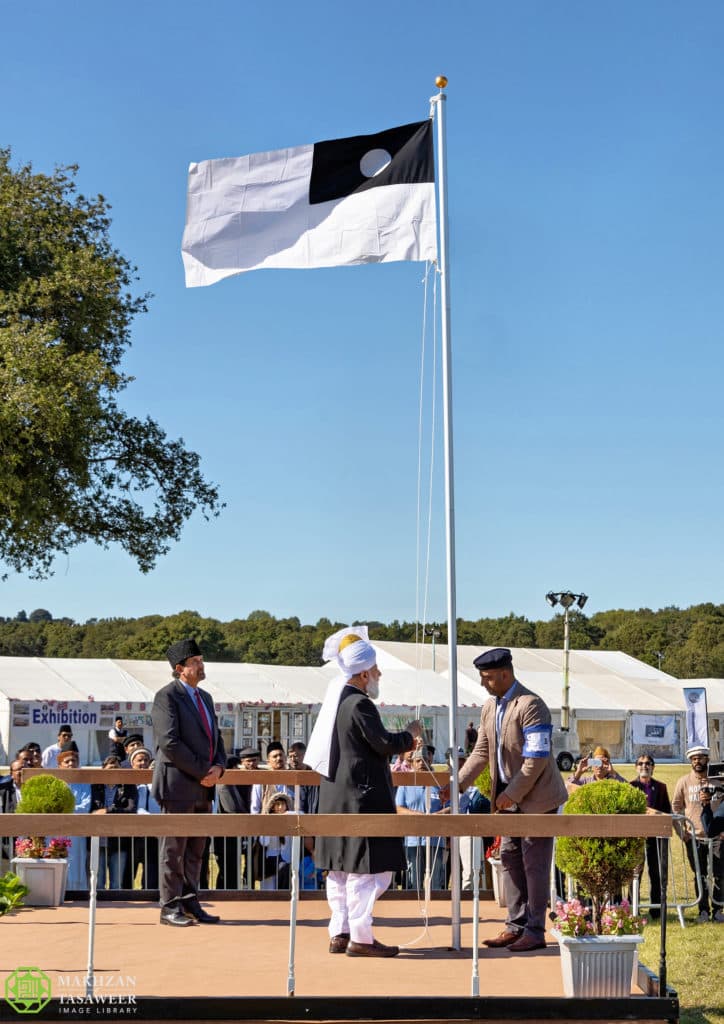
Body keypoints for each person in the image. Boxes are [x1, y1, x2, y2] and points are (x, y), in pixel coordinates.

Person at [310, 626, 422, 958]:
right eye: (375, 670)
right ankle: (360, 936)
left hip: (336, 798)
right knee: (367, 871)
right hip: (361, 800)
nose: (379, 675)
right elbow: (383, 743)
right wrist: (410, 736)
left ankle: (340, 932)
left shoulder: (338, 701)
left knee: (341, 870)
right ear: (362, 673)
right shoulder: (359, 704)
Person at [458, 647, 567, 952]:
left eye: (488, 678)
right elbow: (481, 752)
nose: (483, 683)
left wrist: (511, 794)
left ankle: (535, 930)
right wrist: (457, 785)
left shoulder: (532, 705)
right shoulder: (489, 706)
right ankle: (515, 925)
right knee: (509, 859)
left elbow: (536, 759)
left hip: (538, 801)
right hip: (508, 800)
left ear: (505, 674)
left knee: (534, 864)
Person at [151, 638, 226, 927]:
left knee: (197, 849)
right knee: (174, 849)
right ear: (180, 669)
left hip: (204, 785)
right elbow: (169, 742)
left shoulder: (204, 697)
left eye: (201, 660)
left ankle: (191, 900)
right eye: (196, 661)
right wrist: (202, 771)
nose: (201, 665)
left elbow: (217, 737)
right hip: (178, 784)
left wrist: (219, 766)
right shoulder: (166, 697)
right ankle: (169, 906)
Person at [672, 745, 723, 922]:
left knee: (719, 873)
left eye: (701, 758)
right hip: (694, 837)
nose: (697, 761)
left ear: (707, 759)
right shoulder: (684, 782)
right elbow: (675, 808)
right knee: (699, 874)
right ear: (690, 762)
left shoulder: (718, 780)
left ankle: (718, 909)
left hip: (717, 837)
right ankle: (703, 910)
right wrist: (682, 832)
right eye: (694, 759)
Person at [395, 747, 448, 892]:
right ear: (411, 763)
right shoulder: (405, 784)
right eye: (418, 760)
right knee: (414, 884)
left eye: (424, 760)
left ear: (430, 760)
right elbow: (398, 808)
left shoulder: (440, 782)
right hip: (413, 840)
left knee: (436, 882)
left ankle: (437, 912)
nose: (421, 763)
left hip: (437, 840)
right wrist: (416, 815)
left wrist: (438, 815)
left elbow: (452, 806)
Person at [629, 754, 671, 918]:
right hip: (636, 837)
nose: (644, 766)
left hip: (655, 838)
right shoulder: (630, 786)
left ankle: (656, 910)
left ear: (653, 767)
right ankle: (633, 908)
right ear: (636, 767)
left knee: (656, 873)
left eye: (648, 763)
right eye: (641, 763)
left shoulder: (661, 787)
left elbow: (667, 811)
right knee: (634, 874)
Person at [91, 754, 137, 889]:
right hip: (98, 840)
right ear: (103, 769)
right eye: (110, 768)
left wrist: (108, 811)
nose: (113, 771)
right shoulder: (95, 787)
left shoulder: (128, 788)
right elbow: (92, 810)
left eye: (116, 768)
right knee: (98, 883)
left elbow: (131, 809)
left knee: (116, 883)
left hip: (119, 841)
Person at [56, 741, 92, 890]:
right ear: (60, 765)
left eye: (74, 761)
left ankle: (77, 894)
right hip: (58, 831)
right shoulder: (54, 784)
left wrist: (65, 809)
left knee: (77, 862)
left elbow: (85, 807)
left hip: (77, 832)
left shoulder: (84, 783)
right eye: (67, 761)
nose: (71, 764)